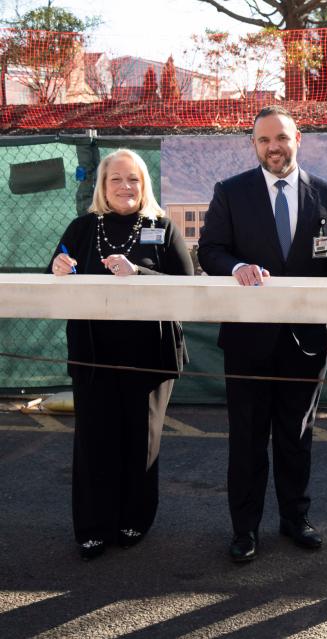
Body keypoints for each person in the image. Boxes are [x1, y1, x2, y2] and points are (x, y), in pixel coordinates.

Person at [197, 105, 327, 563]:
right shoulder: (231, 191)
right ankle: (245, 529)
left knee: (295, 435)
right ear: (254, 145)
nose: (273, 147)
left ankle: (295, 519)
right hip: (248, 340)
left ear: (297, 138)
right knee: (246, 438)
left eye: (280, 138)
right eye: (264, 140)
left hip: (307, 342)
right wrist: (237, 266)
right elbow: (210, 251)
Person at [49, 148, 193, 560]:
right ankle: (92, 527)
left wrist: (140, 273)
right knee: (94, 441)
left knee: (139, 440)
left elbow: (187, 285)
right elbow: (54, 271)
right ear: (103, 185)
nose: (125, 187)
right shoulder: (82, 227)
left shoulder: (161, 228)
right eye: (116, 179)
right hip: (93, 354)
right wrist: (59, 268)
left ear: (144, 184)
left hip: (150, 356)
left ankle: (135, 518)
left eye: (134, 179)